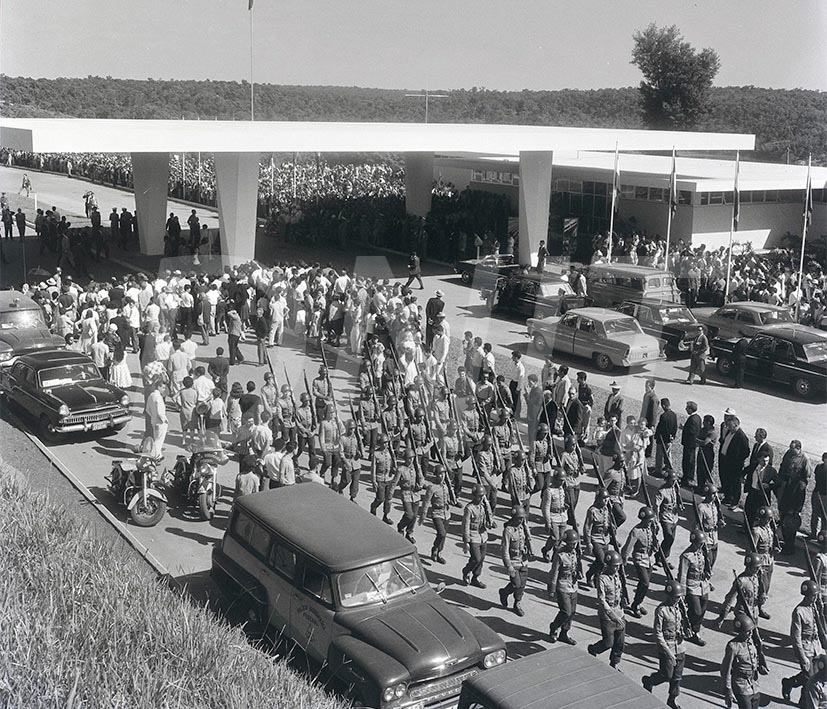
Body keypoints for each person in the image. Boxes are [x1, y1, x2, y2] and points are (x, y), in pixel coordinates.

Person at [642, 581, 687, 709]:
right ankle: (650, 681)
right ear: (669, 596)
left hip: (680, 646)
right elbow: (658, 634)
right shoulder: (661, 610)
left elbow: (681, 625)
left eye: (680, 597)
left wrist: (685, 632)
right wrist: (668, 653)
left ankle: (672, 699)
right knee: (666, 675)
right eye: (676, 597)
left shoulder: (680, 608)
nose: (679, 599)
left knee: (677, 677)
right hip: (667, 647)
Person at [782, 581, 824, 704]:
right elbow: (795, 638)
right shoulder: (799, 611)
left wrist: (820, 611)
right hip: (806, 649)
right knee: (810, 678)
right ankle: (804, 703)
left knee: (815, 674)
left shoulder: (814, 607)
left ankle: (789, 683)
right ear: (806, 595)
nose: (815, 597)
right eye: (813, 595)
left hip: (816, 646)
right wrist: (802, 657)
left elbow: (821, 626)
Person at [588, 549, 626, 670]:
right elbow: (601, 599)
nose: (616, 569)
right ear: (608, 565)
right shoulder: (602, 579)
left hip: (619, 612)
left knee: (619, 642)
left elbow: (620, 591)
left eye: (618, 566)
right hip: (607, 616)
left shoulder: (618, 576)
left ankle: (614, 663)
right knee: (608, 643)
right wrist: (612, 615)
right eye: (614, 566)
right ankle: (593, 649)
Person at [622, 506, 658, 619]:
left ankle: (638, 603)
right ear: (644, 519)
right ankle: (635, 605)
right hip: (640, 559)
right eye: (649, 520)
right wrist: (624, 558)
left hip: (650, 559)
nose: (651, 522)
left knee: (644, 585)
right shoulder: (636, 531)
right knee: (645, 583)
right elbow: (628, 546)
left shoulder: (651, 528)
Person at [547, 528, 581, 646]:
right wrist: (552, 588)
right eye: (572, 543)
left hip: (573, 585)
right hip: (562, 586)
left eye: (575, 543)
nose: (574, 545)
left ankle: (564, 633)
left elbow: (575, 567)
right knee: (566, 611)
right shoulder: (560, 554)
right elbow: (554, 572)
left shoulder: (575, 553)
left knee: (572, 612)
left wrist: (578, 573)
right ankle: (554, 626)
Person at [721, 614, 762, 709]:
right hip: (741, 686)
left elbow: (755, 659)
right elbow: (725, 670)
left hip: (754, 684)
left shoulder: (752, 642)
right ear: (741, 632)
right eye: (748, 632)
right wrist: (728, 690)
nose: (750, 633)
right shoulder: (733, 646)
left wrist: (760, 666)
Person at [677, 529, 711, 646]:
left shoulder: (702, 553)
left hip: (703, 585)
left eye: (702, 543)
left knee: (703, 609)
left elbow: (705, 567)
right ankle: (686, 628)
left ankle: (694, 632)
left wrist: (707, 573)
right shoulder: (686, 556)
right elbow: (682, 575)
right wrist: (683, 592)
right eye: (699, 543)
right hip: (691, 586)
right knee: (696, 611)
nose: (701, 545)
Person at [499, 505, 532, 617]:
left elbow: (527, 541)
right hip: (513, 562)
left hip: (523, 560)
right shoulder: (508, 531)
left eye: (522, 518)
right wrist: (509, 566)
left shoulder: (523, 528)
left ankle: (517, 603)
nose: (521, 520)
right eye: (519, 518)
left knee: (521, 585)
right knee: (516, 584)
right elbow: (505, 550)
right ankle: (504, 593)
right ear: (513, 518)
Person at [419, 464, 452, 563]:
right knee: (441, 533)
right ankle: (434, 548)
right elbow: (426, 501)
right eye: (439, 475)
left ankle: (439, 553)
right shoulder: (432, 487)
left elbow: (448, 498)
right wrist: (423, 515)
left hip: (446, 513)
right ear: (435, 475)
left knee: (443, 535)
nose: (441, 477)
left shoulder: (446, 486)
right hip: (436, 513)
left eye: (443, 474)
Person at [462, 484, 492, 588]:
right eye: (479, 496)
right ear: (474, 496)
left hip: (483, 534)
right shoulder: (469, 508)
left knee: (482, 558)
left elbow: (489, 518)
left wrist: (487, 505)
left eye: (482, 496)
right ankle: (466, 570)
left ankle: (476, 577)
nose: (481, 498)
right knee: (476, 558)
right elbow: (465, 525)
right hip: (473, 535)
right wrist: (466, 541)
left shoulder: (483, 506)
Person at [655, 472, 681, 564]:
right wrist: (656, 518)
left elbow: (677, 499)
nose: (674, 482)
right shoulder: (662, 491)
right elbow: (656, 505)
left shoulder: (675, 488)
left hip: (674, 517)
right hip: (665, 517)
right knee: (668, 538)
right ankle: (660, 556)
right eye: (673, 480)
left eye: (675, 480)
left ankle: (665, 558)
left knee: (672, 539)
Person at [369, 434, 395, 523]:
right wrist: (373, 481)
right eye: (384, 443)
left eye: (387, 442)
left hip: (389, 478)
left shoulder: (390, 452)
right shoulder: (376, 454)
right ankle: (373, 507)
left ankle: (386, 516)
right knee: (380, 498)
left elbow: (392, 463)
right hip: (380, 479)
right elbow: (373, 468)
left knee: (388, 500)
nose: (385, 444)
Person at [679, 401, 701, 488]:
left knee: (687, 461)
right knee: (691, 461)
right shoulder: (697, 418)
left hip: (689, 444)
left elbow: (691, 432)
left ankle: (686, 479)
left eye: (687, 408)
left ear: (690, 409)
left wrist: (684, 430)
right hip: (693, 444)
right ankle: (689, 477)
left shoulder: (692, 419)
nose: (685, 409)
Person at [146, 380, 169, 459]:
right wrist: (164, 419)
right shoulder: (158, 397)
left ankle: (158, 454)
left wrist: (153, 416)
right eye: (162, 387)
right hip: (160, 421)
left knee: (156, 437)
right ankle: (155, 455)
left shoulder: (151, 395)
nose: (164, 389)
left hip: (154, 420)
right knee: (159, 439)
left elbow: (147, 409)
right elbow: (160, 411)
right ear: (158, 387)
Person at [811, 452, 827, 539]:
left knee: (824, 516)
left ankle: (823, 535)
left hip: (825, 495)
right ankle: (813, 533)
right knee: (815, 514)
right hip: (817, 493)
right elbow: (816, 478)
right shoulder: (819, 467)